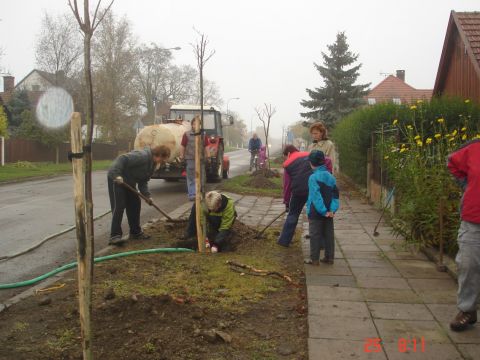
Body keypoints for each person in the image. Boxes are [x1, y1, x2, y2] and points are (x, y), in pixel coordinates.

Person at [108, 145, 171, 245]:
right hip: (117, 179)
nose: (162, 162)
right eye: (162, 160)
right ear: (158, 155)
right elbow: (122, 159)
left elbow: (143, 182)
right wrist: (117, 175)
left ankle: (135, 232)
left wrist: (147, 196)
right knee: (119, 206)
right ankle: (115, 236)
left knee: (135, 204)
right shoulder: (143, 156)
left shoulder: (152, 165)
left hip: (129, 182)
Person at [447, 139, 480, 332]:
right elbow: (452, 162)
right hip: (473, 219)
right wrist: (468, 186)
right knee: (467, 265)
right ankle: (467, 309)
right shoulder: (474, 148)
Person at [305, 150, 339, 265]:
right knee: (329, 235)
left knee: (315, 235)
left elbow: (316, 197)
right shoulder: (331, 177)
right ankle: (329, 258)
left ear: (312, 163)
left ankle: (314, 259)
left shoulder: (313, 178)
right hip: (329, 212)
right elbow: (335, 196)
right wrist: (331, 210)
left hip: (316, 212)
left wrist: (323, 211)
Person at [277, 145, 312, 247]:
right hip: (315, 189)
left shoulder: (288, 163)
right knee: (316, 216)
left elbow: (287, 185)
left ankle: (284, 241)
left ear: (288, 154)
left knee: (293, 214)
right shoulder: (309, 154)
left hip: (299, 191)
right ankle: (320, 243)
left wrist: (287, 202)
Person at [179, 116, 208, 201]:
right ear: (192, 125)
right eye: (194, 124)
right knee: (191, 177)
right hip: (190, 158)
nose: (196, 126)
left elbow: (206, 146)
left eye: (198, 124)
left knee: (201, 176)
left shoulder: (203, 135)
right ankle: (192, 195)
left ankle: (201, 193)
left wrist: (208, 156)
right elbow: (182, 146)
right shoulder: (187, 134)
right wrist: (181, 156)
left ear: (200, 125)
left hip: (201, 159)